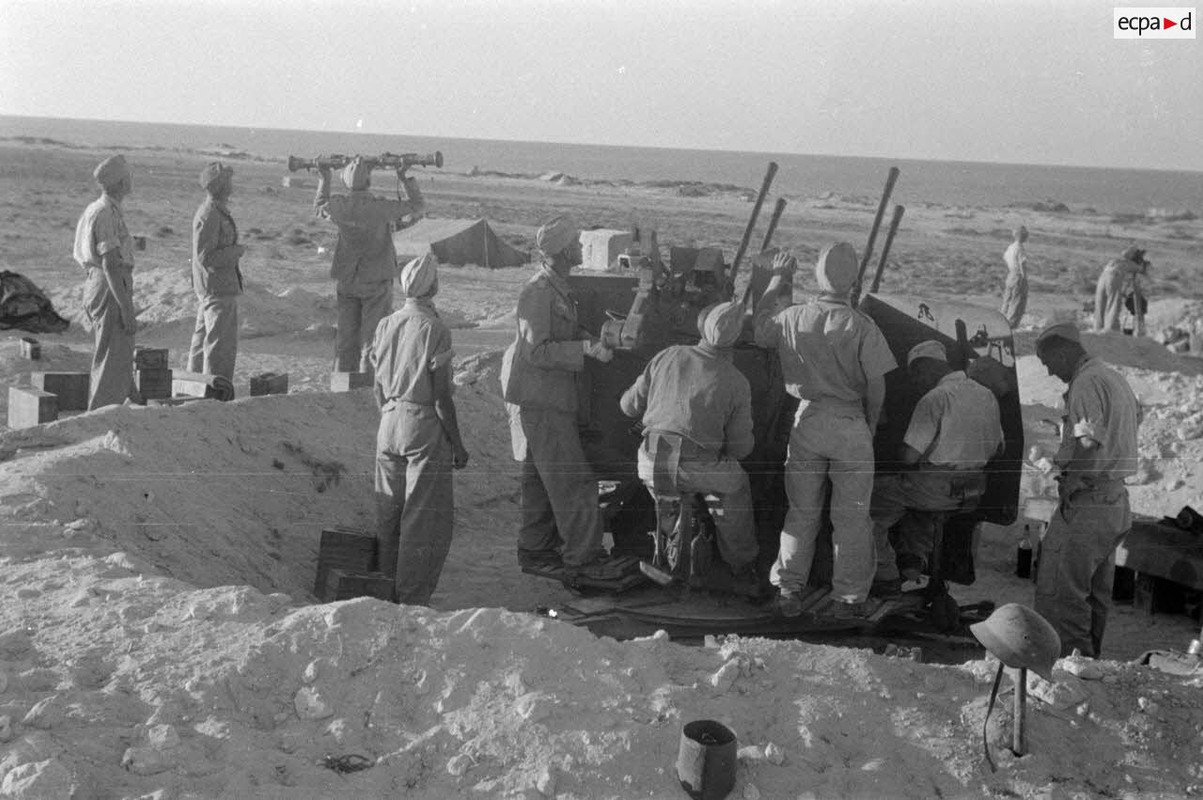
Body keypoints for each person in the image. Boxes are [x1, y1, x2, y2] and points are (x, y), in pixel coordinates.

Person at [753, 244, 897, 618]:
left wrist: (776, 279)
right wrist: (869, 422)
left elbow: (759, 329)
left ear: (817, 276)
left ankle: (788, 590)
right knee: (851, 517)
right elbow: (878, 386)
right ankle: (847, 599)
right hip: (850, 423)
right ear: (853, 282)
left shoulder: (793, 317)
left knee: (801, 512)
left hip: (808, 421)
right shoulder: (863, 326)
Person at [500, 215, 614, 575]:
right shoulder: (538, 292)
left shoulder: (557, 288)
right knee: (572, 482)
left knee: (538, 480)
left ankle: (534, 550)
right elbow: (537, 350)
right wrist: (584, 349)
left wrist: (597, 336)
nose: (581, 247)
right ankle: (583, 558)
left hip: (547, 399)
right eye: (576, 243)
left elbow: (560, 329)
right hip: (544, 400)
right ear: (564, 250)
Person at [619, 300, 759, 589]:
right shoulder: (737, 381)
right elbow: (740, 449)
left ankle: (671, 544)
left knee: (670, 490)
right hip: (695, 465)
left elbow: (627, 406)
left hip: (651, 460)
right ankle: (741, 567)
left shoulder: (667, 355)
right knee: (735, 484)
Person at [1033, 322, 1141, 657]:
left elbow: (1089, 442)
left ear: (1064, 352)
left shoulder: (1086, 382)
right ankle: (1089, 667)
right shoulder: (1112, 377)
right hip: (1113, 500)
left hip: (1089, 501)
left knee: (1061, 594)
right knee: (1093, 596)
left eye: (1049, 362)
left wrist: (1072, 482)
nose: (1050, 371)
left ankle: (1069, 672)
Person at [370, 253, 469, 605]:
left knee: (389, 514)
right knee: (421, 519)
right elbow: (442, 397)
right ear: (434, 287)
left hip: (389, 420)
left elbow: (377, 384)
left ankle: (383, 586)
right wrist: (457, 444)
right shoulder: (435, 329)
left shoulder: (386, 324)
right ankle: (411, 596)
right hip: (422, 424)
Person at [869, 340, 1004, 594]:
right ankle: (912, 561)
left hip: (937, 488)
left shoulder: (935, 398)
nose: (916, 382)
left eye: (915, 375)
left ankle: (884, 574)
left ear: (926, 367)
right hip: (973, 489)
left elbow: (909, 456)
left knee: (866, 504)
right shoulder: (986, 394)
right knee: (912, 497)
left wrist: (895, 452)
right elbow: (998, 449)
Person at [315, 156, 425, 373]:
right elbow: (417, 206)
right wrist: (403, 177)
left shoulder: (339, 206)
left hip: (347, 279)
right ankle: (367, 386)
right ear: (368, 181)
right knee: (372, 340)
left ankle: (342, 383)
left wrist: (324, 177)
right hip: (375, 280)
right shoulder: (379, 208)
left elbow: (319, 206)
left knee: (346, 339)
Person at [73, 154, 139, 410]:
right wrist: (126, 308)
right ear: (121, 182)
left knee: (114, 354)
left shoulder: (98, 209)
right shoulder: (105, 213)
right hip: (109, 285)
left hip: (100, 282)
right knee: (112, 356)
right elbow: (110, 264)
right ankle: (100, 416)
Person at [188, 162, 245, 383]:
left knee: (204, 341)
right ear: (221, 185)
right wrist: (236, 252)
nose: (232, 183)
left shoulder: (214, 211)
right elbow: (206, 257)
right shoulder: (210, 214)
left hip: (215, 286)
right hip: (217, 287)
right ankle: (215, 391)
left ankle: (194, 386)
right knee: (219, 345)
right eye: (228, 180)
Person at [1094, 245, 1149, 332]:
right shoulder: (1130, 263)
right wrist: (1143, 265)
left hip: (1102, 278)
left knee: (1100, 304)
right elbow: (1142, 270)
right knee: (1113, 303)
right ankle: (1111, 329)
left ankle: (1097, 328)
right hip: (1113, 277)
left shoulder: (1114, 261)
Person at [999, 226, 1029, 329]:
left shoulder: (1010, 247)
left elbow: (1005, 257)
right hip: (1018, 276)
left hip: (1010, 275)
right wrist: (1025, 279)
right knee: (1017, 302)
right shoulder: (1020, 248)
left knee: (1007, 300)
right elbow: (1022, 264)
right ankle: (1010, 326)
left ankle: (1001, 322)